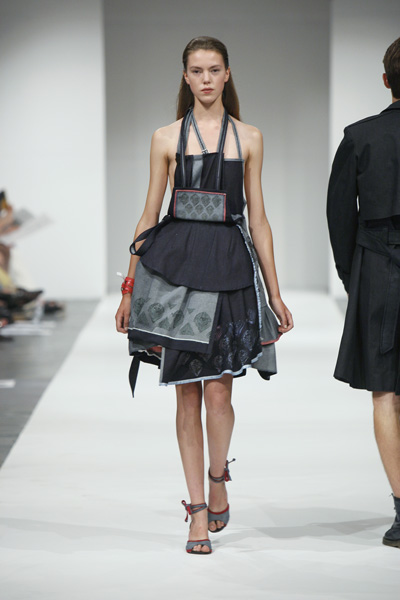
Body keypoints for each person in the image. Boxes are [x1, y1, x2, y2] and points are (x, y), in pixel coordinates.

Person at [115, 36, 293, 555]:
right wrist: (129, 288)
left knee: (219, 393)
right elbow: (149, 215)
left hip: (229, 268)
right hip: (173, 271)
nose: (207, 78)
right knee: (186, 393)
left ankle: (218, 477)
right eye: (197, 70)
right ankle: (196, 511)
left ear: (227, 74)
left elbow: (259, 220)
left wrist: (275, 293)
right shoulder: (164, 137)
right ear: (186, 77)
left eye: (214, 69)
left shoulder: (251, 137)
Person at [327, 37, 400, 549]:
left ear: (386, 80)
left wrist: (352, 275)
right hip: (377, 260)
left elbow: (339, 214)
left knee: (385, 390)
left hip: (378, 264)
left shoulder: (359, 137)